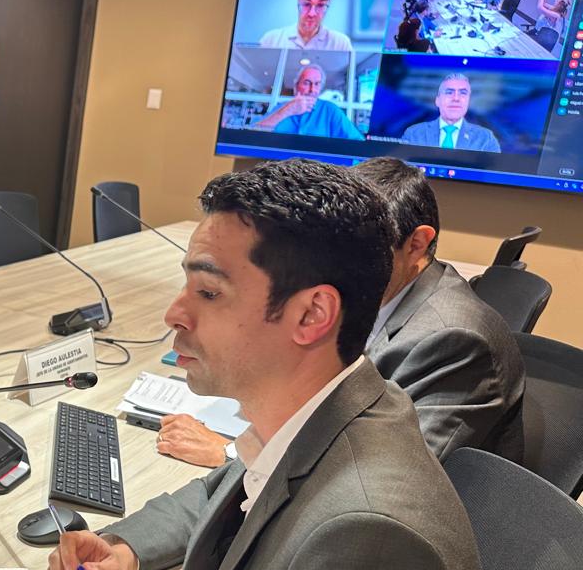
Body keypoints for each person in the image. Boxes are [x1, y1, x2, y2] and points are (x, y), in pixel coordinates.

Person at [34, 159, 483, 570]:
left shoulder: (373, 543)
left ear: (312, 314)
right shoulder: (339, 412)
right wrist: (123, 549)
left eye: (209, 293)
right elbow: (228, 486)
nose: (174, 313)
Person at [156, 157, 525, 468]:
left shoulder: (454, 340)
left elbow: (386, 472)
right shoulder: (378, 297)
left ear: (417, 244)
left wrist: (231, 453)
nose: (335, 264)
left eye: (369, 248)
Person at [250, 64, 363, 139]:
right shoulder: (281, 107)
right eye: (307, 83)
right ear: (296, 86)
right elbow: (253, 135)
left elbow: (357, 144)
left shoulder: (330, 110)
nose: (312, 90)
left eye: (317, 84)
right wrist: (288, 110)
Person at [401, 73, 501, 152]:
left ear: (468, 101)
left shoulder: (486, 139)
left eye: (463, 93)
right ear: (437, 100)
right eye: (449, 92)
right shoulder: (414, 134)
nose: (456, 98)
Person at [257, 0, 354, 51]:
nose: (312, 13)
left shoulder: (341, 44)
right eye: (307, 4)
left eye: (321, 5)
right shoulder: (271, 41)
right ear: (298, 1)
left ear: (328, 4)